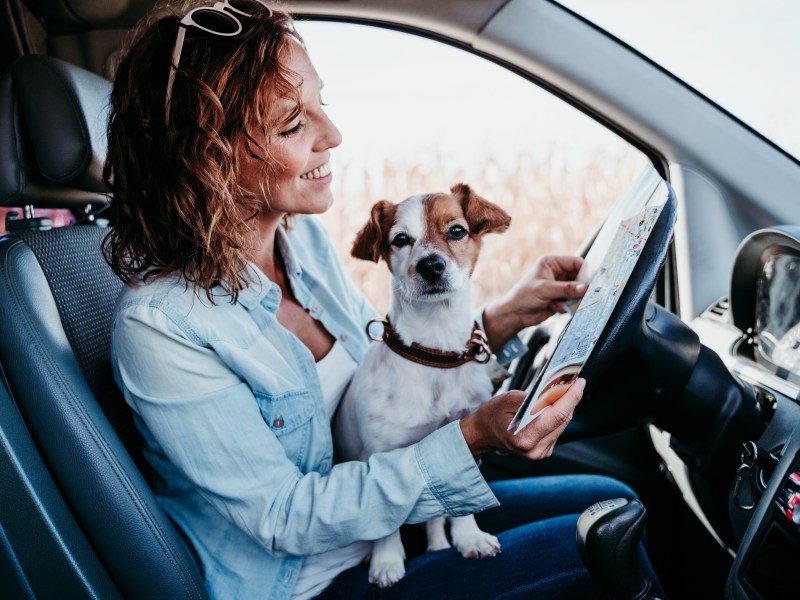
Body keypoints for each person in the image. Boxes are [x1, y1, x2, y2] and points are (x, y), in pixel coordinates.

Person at [104, 1, 636, 598]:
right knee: (600, 550)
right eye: (292, 125)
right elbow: (284, 517)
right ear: (210, 159)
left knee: (616, 502)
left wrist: (510, 313)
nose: (333, 136)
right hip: (315, 579)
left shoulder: (299, 239)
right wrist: (470, 439)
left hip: (397, 521)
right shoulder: (161, 327)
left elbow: (396, 363)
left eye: (320, 105)